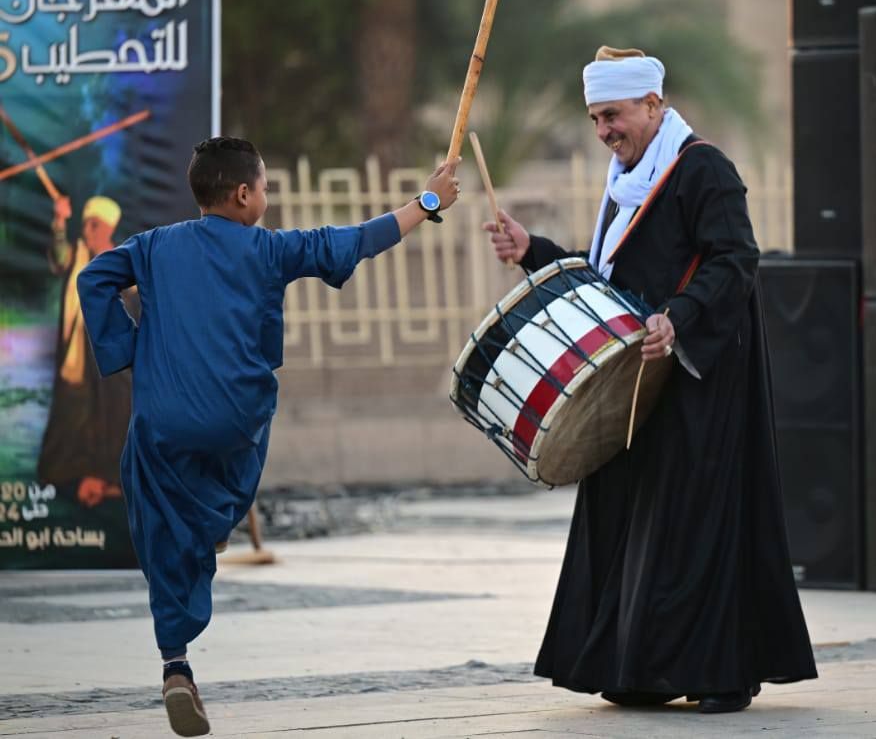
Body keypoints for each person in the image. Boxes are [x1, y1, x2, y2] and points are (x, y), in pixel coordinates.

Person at [77, 137, 459, 737]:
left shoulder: (151, 247)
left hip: (164, 419)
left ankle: (175, 663)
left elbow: (94, 278)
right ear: (243, 194)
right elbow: (355, 240)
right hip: (235, 421)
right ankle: (215, 523)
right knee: (239, 444)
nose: (267, 198)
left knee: (154, 503)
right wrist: (428, 201)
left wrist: (130, 351)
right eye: (265, 188)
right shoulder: (271, 249)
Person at [483, 47, 816, 714]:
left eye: (613, 115)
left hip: (699, 380)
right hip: (636, 382)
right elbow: (608, 280)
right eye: (595, 119)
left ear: (653, 104)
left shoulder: (703, 168)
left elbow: (735, 258)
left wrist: (677, 318)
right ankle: (638, 669)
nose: (603, 130)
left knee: (695, 524)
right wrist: (534, 251)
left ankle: (722, 673)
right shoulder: (626, 182)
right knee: (632, 521)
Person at [37, 194, 136, 508]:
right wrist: (59, 221)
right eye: (89, 225)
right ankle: (68, 478)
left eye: (97, 226)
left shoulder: (120, 259)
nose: (91, 231)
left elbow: (133, 303)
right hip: (77, 356)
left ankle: (106, 481)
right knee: (71, 415)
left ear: (108, 229)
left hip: (109, 362)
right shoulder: (76, 256)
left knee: (110, 417)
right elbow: (59, 255)